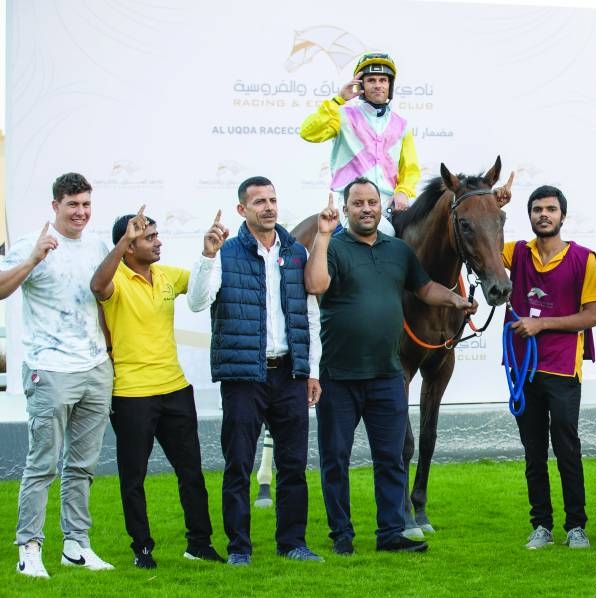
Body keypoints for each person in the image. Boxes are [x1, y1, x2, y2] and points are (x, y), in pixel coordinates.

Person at [304, 177, 476, 555]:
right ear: (346, 209)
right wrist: (323, 235)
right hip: (340, 375)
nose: (366, 208)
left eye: (372, 202)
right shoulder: (333, 246)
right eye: (358, 203)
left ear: (380, 207)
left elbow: (424, 288)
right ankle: (342, 535)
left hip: (386, 373)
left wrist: (456, 301)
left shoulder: (398, 251)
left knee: (391, 458)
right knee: (335, 459)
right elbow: (315, 285)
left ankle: (391, 534)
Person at [187, 176, 323, 566]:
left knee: (293, 465)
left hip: (290, 374)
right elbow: (197, 302)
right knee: (239, 465)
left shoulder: (296, 252)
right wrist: (207, 255)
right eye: (259, 201)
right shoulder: (225, 253)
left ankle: (292, 543)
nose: (268, 207)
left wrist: (312, 370)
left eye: (272, 200)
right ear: (241, 209)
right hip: (244, 376)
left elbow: (309, 314)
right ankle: (239, 548)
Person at [90, 208, 223, 569]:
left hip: (176, 388)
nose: (158, 242)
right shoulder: (114, 277)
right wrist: (122, 241)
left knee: (191, 472)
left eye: (156, 235)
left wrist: (209, 253)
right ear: (129, 245)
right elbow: (98, 287)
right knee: (134, 478)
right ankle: (142, 549)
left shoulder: (166, 275)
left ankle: (199, 544)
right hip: (131, 394)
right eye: (149, 237)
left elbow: (204, 288)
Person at [0, 173, 114, 578]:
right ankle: (29, 549)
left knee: (82, 465)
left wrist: (109, 356)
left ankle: (76, 546)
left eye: (86, 204)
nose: (80, 212)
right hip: (49, 370)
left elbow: (103, 300)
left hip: (95, 369)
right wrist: (33, 259)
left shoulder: (97, 245)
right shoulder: (30, 244)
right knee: (42, 464)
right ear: (55, 206)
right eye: (72, 205)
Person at [501, 185, 596, 550]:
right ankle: (541, 525)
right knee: (533, 451)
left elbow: (591, 316)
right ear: (529, 215)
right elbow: (481, 243)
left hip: (562, 369)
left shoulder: (583, 259)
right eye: (537, 209)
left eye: (550, 209)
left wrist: (540, 323)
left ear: (562, 215)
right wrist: (496, 207)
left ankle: (576, 526)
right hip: (522, 368)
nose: (544, 214)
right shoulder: (515, 252)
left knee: (566, 448)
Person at [300, 52, 419, 237]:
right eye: (371, 80)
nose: (378, 85)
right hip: (353, 200)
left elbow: (410, 169)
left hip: (389, 201)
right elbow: (308, 132)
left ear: (390, 85)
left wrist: (403, 191)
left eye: (383, 80)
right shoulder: (342, 115)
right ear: (361, 85)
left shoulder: (402, 125)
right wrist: (338, 100)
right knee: (384, 231)